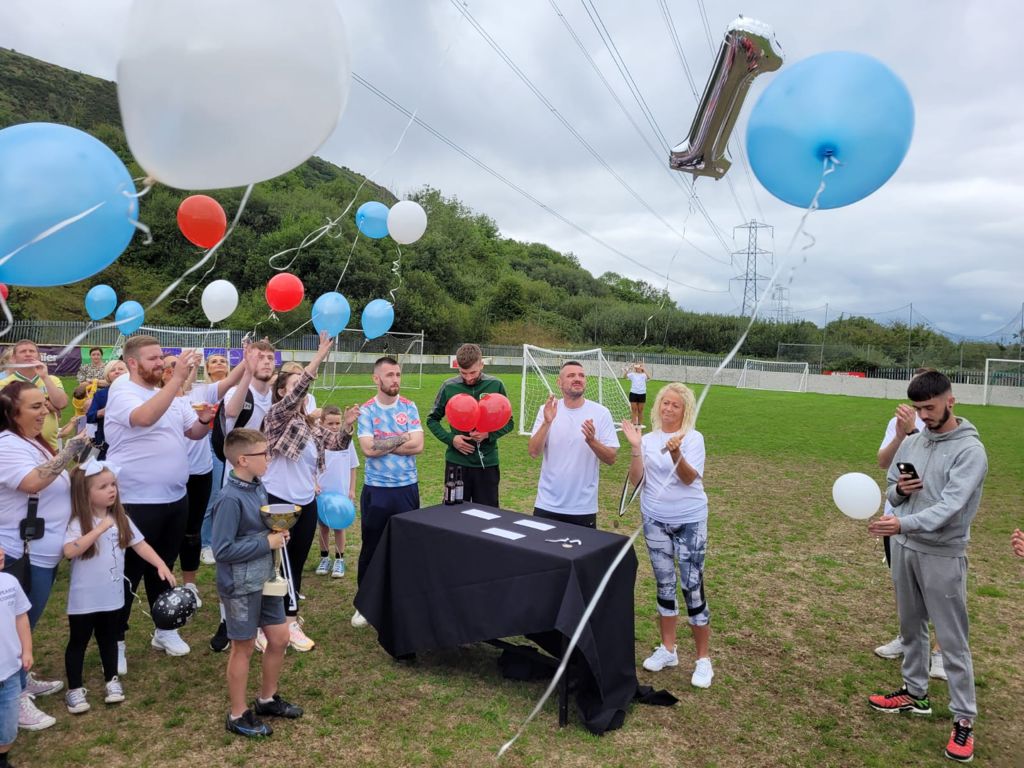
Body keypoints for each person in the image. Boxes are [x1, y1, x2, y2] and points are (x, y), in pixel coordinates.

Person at [866, 371, 988, 764]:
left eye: (930, 407)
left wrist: (903, 522)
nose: (924, 415)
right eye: (918, 409)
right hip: (904, 547)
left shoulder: (970, 451)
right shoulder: (914, 441)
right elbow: (890, 484)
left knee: (951, 639)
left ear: (950, 400)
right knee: (910, 625)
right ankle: (914, 693)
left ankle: (964, 718)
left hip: (943, 552)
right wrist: (899, 493)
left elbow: (950, 506)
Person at [103, 337, 216, 666]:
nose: (161, 364)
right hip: (135, 503)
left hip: (175, 499)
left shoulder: (165, 393)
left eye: (162, 358)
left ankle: (163, 629)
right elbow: (144, 419)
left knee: (164, 570)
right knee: (128, 573)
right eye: (153, 359)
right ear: (133, 363)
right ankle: (116, 640)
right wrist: (178, 379)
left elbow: (191, 432)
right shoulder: (124, 389)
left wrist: (205, 420)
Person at [258, 332, 357, 651]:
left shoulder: (310, 423)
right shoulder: (275, 418)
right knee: (276, 566)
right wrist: (318, 358)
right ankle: (275, 624)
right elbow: (298, 390)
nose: (300, 389)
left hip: (306, 502)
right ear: (282, 392)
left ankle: (288, 617)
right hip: (278, 503)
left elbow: (336, 445)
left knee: (295, 563)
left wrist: (347, 427)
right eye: (294, 385)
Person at [0, 380, 90, 730]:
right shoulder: (7, 444)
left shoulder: (28, 442)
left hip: (41, 549)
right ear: (12, 412)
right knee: (18, 625)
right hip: (23, 550)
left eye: (45, 405)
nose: (46, 411)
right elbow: (33, 482)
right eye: (36, 406)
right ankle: (14, 697)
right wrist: (71, 450)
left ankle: (22, 679)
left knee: (27, 622)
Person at [62, 460, 175, 714]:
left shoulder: (121, 518)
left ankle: (112, 680)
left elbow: (140, 545)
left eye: (113, 484)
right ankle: (75, 689)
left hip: (111, 595)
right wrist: (100, 528)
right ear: (85, 493)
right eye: (103, 486)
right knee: (78, 641)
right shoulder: (79, 521)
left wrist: (160, 564)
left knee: (109, 638)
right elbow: (70, 551)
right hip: (84, 598)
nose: (111, 490)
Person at [212, 427, 303, 738]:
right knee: (244, 646)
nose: (268, 458)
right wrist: (267, 542)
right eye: (263, 454)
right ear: (242, 460)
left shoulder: (259, 486)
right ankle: (237, 714)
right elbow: (222, 550)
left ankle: (266, 699)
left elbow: (262, 531)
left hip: (265, 579)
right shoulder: (228, 498)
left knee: (279, 638)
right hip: (239, 585)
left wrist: (277, 534)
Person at [622, 383, 714, 688]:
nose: (668, 409)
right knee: (664, 584)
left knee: (692, 586)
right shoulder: (648, 440)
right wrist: (636, 446)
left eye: (675, 405)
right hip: (655, 520)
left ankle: (703, 659)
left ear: (685, 409)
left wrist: (676, 454)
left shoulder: (694, 438)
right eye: (665, 403)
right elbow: (636, 481)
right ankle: (669, 649)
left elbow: (689, 479)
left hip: (690, 520)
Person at [209, 343, 278, 652]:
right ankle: (228, 620)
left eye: (269, 357)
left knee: (262, 545)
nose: (266, 361)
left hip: (264, 482)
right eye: (259, 356)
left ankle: (265, 614)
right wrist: (246, 372)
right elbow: (231, 412)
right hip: (236, 483)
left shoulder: (275, 394)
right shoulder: (240, 391)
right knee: (233, 553)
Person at [873, 391, 946, 680]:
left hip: (931, 519)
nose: (921, 408)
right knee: (904, 586)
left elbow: (934, 473)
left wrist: (915, 431)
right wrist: (901, 435)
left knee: (937, 590)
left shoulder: (946, 432)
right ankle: (909, 638)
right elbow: (883, 462)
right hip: (896, 515)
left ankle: (941, 652)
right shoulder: (898, 422)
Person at [166, 351, 248, 610]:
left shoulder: (203, 392)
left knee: (192, 532)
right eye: (171, 366)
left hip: (200, 472)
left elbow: (233, 377)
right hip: (170, 474)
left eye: (180, 365)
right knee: (169, 532)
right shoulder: (157, 399)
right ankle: (166, 580)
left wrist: (249, 357)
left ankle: (190, 584)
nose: (177, 369)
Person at [351, 356, 423, 629]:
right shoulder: (367, 410)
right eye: (389, 375)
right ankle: (365, 605)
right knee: (372, 546)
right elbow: (368, 449)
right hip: (377, 489)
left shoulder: (409, 406)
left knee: (406, 546)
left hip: (407, 487)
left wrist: (385, 443)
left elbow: (418, 446)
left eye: (398, 374)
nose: (395, 380)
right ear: (376, 378)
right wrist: (402, 437)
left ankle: (402, 600)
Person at [527, 361, 619, 529]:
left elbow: (611, 458)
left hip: (583, 507)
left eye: (581, 375)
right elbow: (533, 452)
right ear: (559, 383)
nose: (578, 379)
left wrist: (592, 441)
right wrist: (547, 423)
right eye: (571, 375)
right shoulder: (546, 410)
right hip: (547, 503)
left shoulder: (601, 412)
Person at [426, 343, 513, 507]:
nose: (468, 377)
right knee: (454, 513)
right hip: (456, 463)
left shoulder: (496, 385)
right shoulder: (449, 386)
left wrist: (488, 435)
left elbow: (510, 422)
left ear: (482, 364)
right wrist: (452, 439)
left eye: (472, 372)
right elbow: (432, 419)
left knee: (488, 515)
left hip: (487, 464)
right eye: (463, 372)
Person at [314, 405, 359, 578]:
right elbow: (310, 467)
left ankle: (339, 560)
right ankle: (324, 558)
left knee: (339, 527)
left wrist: (352, 489)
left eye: (337, 423)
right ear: (322, 422)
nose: (334, 427)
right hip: (323, 493)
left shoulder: (346, 441)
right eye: (330, 423)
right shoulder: (317, 441)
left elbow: (353, 466)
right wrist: (314, 484)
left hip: (341, 492)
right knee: (323, 526)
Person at [0, 340, 68, 451]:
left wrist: (45, 377)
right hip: (17, 447)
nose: (28, 354)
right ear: (14, 358)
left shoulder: (52, 380)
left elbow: (61, 404)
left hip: (50, 446)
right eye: (23, 351)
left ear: (39, 356)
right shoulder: (4, 384)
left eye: (32, 351)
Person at [0, 545, 33, 768]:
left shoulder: (10, 582)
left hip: (10, 671)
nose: (1, 551)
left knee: (8, 725)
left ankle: (2, 757)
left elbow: (21, 617)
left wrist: (27, 650)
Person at [85, 360, 128, 460]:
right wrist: (102, 412)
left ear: (128, 373)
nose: (117, 372)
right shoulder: (100, 395)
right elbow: (89, 417)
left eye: (121, 369)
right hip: (105, 445)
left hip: (129, 443)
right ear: (107, 375)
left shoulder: (135, 391)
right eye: (112, 370)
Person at [624, 362, 650, 427]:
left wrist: (644, 369)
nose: (638, 368)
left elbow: (649, 377)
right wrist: (629, 368)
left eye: (639, 366)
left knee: (640, 410)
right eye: (637, 366)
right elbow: (624, 377)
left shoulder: (644, 375)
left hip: (642, 394)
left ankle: (639, 424)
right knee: (634, 409)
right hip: (633, 393)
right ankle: (634, 423)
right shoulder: (632, 374)